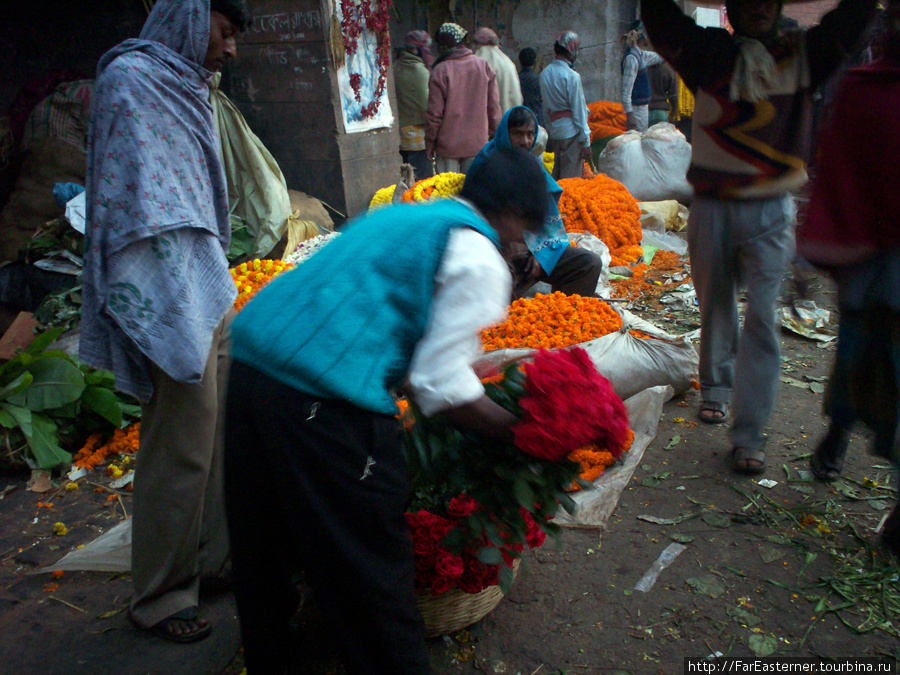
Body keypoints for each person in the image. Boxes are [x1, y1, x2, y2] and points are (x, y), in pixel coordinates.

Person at [223, 147, 548, 675]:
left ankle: (277, 659)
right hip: (318, 398)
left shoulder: (411, 215)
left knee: (264, 551)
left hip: (249, 368)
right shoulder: (478, 255)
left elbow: (397, 326)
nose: (522, 240)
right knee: (372, 569)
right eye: (525, 226)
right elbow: (437, 386)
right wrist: (522, 432)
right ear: (513, 212)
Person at [641, 0, 876, 474]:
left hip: (771, 209)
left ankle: (750, 434)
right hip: (710, 205)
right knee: (716, 305)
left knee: (763, 319)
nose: (759, 6)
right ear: (732, 6)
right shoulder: (707, 52)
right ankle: (717, 389)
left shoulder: (806, 55)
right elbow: (660, 19)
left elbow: (850, 21)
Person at [80, 0, 252, 642]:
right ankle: (158, 596)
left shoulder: (188, 86)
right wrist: (167, 283)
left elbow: (198, 187)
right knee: (179, 444)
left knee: (216, 434)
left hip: (203, 274)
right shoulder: (130, 79)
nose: (230, 50)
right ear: (190, 17)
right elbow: (131, 198)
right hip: (162, 285)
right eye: (226, 32)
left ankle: (210, 562)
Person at [795, 0, 900, 555]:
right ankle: (836, 436)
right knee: (857, 358)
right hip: (870, 268)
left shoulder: (863, 86)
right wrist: (812, 257)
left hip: (879, 269)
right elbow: (839, 168)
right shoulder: (863, 88)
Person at [470, 105, 603, 298]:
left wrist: (542, 253)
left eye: (530, 134)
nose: (525, 141)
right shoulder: (486, 165)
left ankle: (563, 316)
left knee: (588, 264)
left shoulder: (531, 166)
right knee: (499, 285)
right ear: (504, 134)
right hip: (497, 252)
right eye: (517, 134)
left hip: (530, 250)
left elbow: (547, 220)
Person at [426, 22, 501, 175]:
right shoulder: (484, 66)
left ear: (443, 46)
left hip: (447, 148)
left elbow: (434, 114)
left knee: (447, 195)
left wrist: (429, 143)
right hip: (477, 145)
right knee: (473, 194)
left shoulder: (440, 70)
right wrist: (495, 137)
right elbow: (493, 108)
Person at [539, 31, 591, 180]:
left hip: (555, 131)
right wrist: (586, 141)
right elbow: (579, 111)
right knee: (571, 180)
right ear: (572, 51)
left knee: (557, 174)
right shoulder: (572, 76)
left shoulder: (544, 74)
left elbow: (545, 109)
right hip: (571, 132)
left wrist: (549, 131)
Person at [394, 30, 434, 180]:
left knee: (405, 181)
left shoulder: (395, 67)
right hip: (419, 141)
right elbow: (428, 108)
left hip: (400, 138)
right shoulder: (421, 72)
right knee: (422, 185)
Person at [621, 22, 667, 132]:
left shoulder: (640, 55)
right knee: (638, 138)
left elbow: (658, 57)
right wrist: (629, 114)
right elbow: (626, 90)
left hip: (641, 107)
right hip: (636, 109)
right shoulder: (632, 58)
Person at [473, 27, 523, 113]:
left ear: (477, 43)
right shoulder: (508, 63)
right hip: (506, 121)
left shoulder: (474, 62)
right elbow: (516, 98)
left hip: (480, 122)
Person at [647, 59, 679, 126]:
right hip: (660, 112)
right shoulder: (668, 69)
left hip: (642, 110)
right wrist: (673, 113)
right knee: (660, 135)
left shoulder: (641, 67)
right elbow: (674, 95)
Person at [518, 47, 544, 126]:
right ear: (534, 61)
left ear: (520, 61)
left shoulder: (516, 78)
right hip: (535, 118)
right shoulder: (538, 79)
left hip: (519, 118)